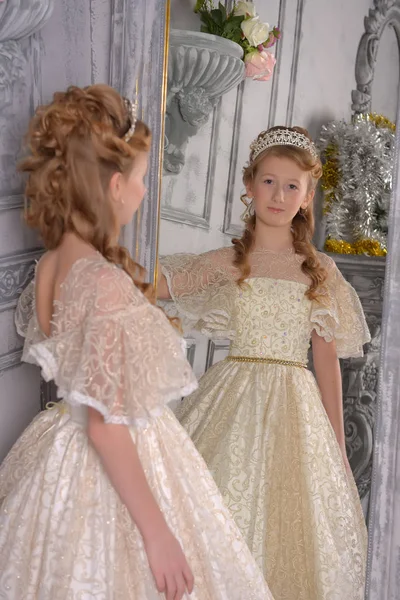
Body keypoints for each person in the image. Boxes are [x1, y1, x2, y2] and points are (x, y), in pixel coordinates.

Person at [0, 84, 274, 600]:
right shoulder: (100, 280)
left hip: (59, 448)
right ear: (114, 186)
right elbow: (104, 425)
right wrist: (157, 534)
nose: (146, 193)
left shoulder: (52, 264)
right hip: (111, 453)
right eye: (143, 180)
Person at [158, 126, 370, 600]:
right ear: (249, 186)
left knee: (291, 522)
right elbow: (162, 285)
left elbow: (326, 358)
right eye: (269, 182)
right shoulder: (230, 259)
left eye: (292, 185)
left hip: (296, 405)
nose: (279, 195)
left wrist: (336, 442)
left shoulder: (319, 270)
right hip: (233, 394)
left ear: (307, 195)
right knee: (221, 503)